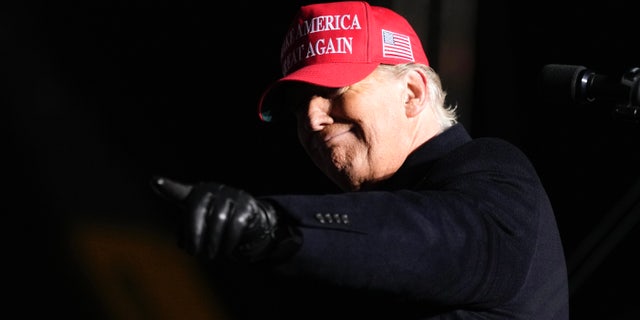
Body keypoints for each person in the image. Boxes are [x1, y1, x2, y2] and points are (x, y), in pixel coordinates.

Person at [151, 1, 570, 319]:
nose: (311, 119)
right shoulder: (357, 235)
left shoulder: (495, 173)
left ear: (412, 93)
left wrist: (273, 225)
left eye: (332, 90)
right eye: (298, 108)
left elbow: (430, 239)